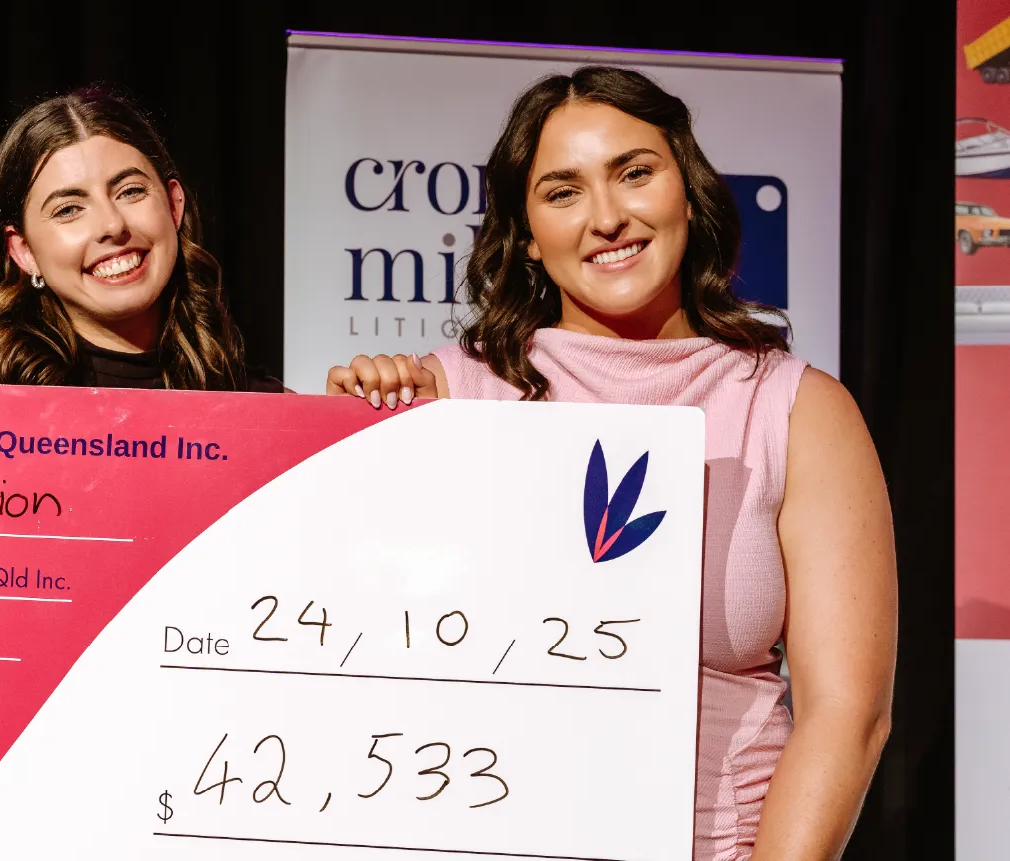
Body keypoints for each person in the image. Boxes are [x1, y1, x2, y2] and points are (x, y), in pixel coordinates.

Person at [330, 67, 895, 860]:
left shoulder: (797, 409)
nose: (607, 217)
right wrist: (350, 434)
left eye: (634, 172)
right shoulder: (446, 394)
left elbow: (849, 712)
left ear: (687, 191)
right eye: (562, 192)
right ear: (525, 231)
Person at [0, 86, 283, 392]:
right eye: (69, 209)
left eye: (130, 191)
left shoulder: (268, 407)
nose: (111, 225)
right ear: (24, 252)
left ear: (174, 205)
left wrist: (335, 437)